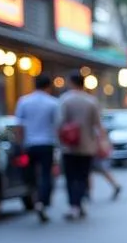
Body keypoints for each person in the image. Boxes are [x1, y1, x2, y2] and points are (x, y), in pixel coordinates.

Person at [57, 73, 105, 221]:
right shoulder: (91, 101)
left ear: (71, 82)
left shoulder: (65, 100)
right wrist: (102, 141)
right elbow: (98, 124)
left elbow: (59, 123)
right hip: (87, 145)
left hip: (69, 146)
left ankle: (74, 205)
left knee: (71, 177)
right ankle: (79, 202)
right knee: (83, 176)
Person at [14, 73, 58, 222]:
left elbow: (19, 126)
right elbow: (57, 126)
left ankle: (34, 196)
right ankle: (42, 202)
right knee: (46, 174)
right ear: (48, 87)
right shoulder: (52, 103)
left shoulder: (24, 101)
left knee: (30, 174)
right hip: (47, 143)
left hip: (29, 144)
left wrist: (21, 144)